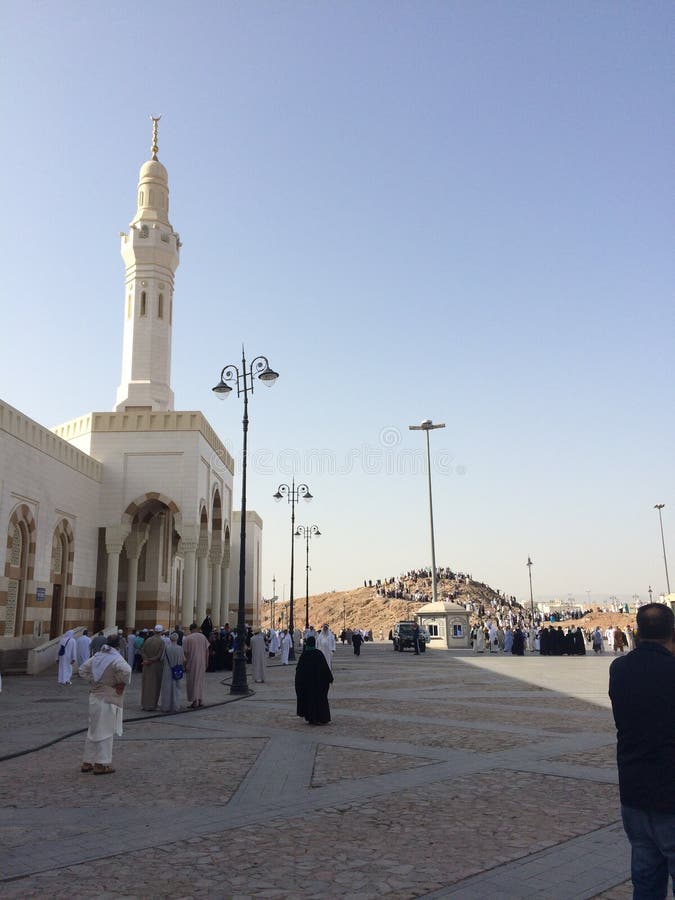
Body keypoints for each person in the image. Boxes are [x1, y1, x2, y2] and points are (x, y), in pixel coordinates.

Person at [608, 603, 675, 898]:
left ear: (637, 631)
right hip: (670, 793)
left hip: (634, 791)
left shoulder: (620, 669)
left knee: (646, 879)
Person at [77, 634, 132, 775]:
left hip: (94, 697)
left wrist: (94, 680)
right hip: (108, 698)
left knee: (93, 729)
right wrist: (120, 682)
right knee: (106, 731)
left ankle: (87, 761)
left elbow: (82, 670)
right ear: (119, 645)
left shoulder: (97, 656)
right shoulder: (115, 659)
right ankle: (101, 763)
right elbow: (127, 670)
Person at [295, 635, 334, 725]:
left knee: (310, 701)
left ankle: (312, 718)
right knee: (320, 700)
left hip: (308, 685)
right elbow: (325, 668)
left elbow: (299, 671)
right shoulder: (319, 654)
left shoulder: (304, 656)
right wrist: (330, 678)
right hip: (319, 684)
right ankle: (322, 717)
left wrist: (299, 683)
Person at [182, 622, 209, 708]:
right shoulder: (203, 637)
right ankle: (200, 700)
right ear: (196, 629)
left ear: (190, 629)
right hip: (202, 662)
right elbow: (207, 651)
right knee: (200, 681)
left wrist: (184, 664)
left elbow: (185, 653)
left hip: (192, 662)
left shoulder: (187, 638)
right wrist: (207, 662)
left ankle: (195, 701)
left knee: (192, 682)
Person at [140, 624, 165, 711]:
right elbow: (159, 655)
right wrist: (150, 660)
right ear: (161, 632)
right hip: (156, 666)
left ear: (154, 631)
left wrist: (146, 660)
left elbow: (142, 651)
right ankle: (152, 705)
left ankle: (144, 704)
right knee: (155, 686)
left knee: (146, 685)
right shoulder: (161, 642)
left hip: (147, 666)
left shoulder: (148, 640)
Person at [159, 632, 184, 713]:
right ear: (177, 639)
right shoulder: (180, 648)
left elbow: (162, 658)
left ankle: (166, 706)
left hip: (167, 670)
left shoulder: (167, 648)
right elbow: (183, 659)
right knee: (176, 688)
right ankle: (176, 706)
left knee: (166, 689)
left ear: (170, 639)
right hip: (177, 670)